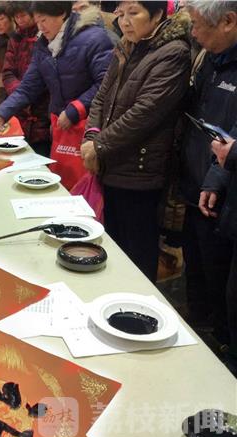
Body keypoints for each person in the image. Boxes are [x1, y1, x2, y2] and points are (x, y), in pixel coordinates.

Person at [80, 1, 192, 282]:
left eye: (134, 13)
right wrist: (91, 136)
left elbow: (145, 112)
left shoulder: (174, 52)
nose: (125, 21)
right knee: (113, 246)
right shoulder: (126, 46)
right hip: (111, 163)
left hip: (140, 171)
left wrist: (99, 146)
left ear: (157, 15)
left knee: (138, 253)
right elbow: (101, 97)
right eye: (121, 14)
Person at [184, 0, 237, 371]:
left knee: (222, 279)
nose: (193, 32)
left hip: (222, 186)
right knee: (197, 264)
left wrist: (217, 176)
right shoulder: (208, 57)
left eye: (199, 24)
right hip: (197, 176)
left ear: (228, 21)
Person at [0, 2, 113, 145]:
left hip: (89, 127)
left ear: (62, 13)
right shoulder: (43, 45)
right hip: (60, 126)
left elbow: (107, 83)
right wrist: (1, 115)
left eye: (44, 20)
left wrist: (75, 109)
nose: (40, 27)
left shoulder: (94, 38)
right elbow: (28, 87)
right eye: (37, 21)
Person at [2, 1, 50, 156]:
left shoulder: (45, 35)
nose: (20, 20)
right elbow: (7, 73)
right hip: (20, 109)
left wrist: (28, 93)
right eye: (16, 17)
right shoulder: (15, 38)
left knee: (42, 156)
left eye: (23, 15)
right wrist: (20, 92)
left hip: (43, 110)